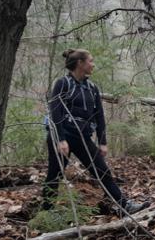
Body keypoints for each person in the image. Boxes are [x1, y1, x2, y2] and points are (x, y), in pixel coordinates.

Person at [42, 48, 149, 215]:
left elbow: (99, 116)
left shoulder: (92, 88)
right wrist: (60, 139)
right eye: (90, 61)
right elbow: (55, 112)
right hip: (63, 135)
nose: (93, 64)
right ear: (80, 63)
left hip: (83, 137)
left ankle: (124, 206)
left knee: (102, 171)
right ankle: (46, 213)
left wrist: (103, 141)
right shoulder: (63, 84)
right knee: (54, 174)